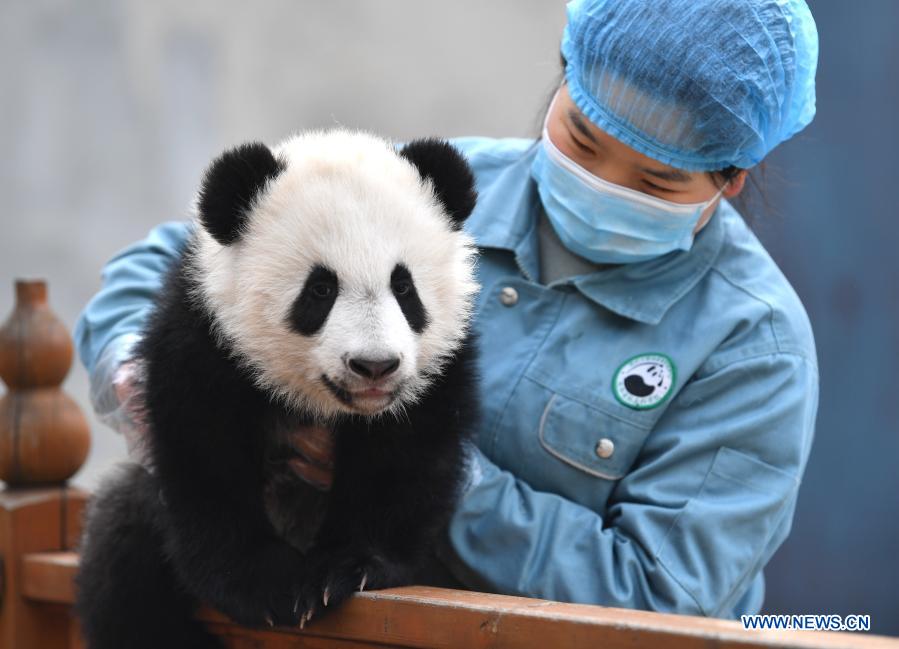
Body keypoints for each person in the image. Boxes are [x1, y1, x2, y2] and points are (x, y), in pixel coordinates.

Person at [75, 0, 820, 619]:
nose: (600, 182)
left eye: (654, 181)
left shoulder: (752, 348)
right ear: (562, 78)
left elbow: (659, 595)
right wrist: (144, 380)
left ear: (730, 176)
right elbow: (188, 253)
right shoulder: (418, 190)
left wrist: (412, 473)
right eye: (582, 138)